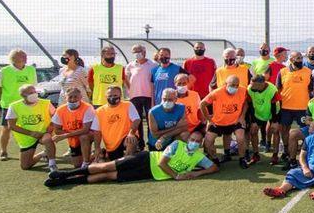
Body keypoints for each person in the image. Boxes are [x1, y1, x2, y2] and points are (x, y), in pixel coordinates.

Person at [44, 129, 218, 187]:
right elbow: (162, 162)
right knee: (106, 167)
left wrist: (195, 174)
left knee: (108, 177)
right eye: (192, 140)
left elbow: (213, 168)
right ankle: (65, 173)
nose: (194, 143)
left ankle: (66, 182)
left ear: (201, 143)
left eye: (197, 141)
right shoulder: (177, 145)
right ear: (188, 139)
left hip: (149, 174)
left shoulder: (198, 156)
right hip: (145, 159)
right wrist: (176, 176)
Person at [263, 117, 314, 201]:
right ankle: (280, 190)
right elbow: (302, 155)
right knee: (292, 173)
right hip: (309, 170)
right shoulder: (309, 139)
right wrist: (305, 168)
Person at [0, 48, 37, 160]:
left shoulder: (31, 69)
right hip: (9, 105)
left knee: (31, 126)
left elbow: (34, 86)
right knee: (6, 128)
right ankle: (3, 151)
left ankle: (32, 151)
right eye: (22, 56)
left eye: (25, 56)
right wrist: (2, 100)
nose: (25, 58)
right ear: (14, 58)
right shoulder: (4, 71)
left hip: (27, 104)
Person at [6, 84, 57, 171]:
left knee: (47, 139)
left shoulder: (46, 103)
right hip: (27, 136)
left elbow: (56, 116)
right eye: (30, 93)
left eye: (34, 92)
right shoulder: (14, 106)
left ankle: (52, 164)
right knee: (25, 166)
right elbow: (12, 126)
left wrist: (51, 126)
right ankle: (43, 154)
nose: (34, 94)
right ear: (23, 95)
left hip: (44, 132)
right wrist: (31, 133)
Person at [276, 51, 313, 168]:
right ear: (291, 59)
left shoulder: (308, 72)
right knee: (285, 130)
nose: (300, 60)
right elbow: (277, 89)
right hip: (286, 107)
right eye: (297, 58)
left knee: (305, 131)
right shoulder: (282, 72)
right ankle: (287, 151)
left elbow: (311, 89)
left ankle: (305, 153)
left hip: (303, 108)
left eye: (301, 58)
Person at [201, 75, 249, 164]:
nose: (234, 87)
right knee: (208, 142)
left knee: (240, 138)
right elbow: (202, 104)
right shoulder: (217, 92)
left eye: (236, 85)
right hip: (218, 122)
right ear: (225, 84)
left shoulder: (243, 90)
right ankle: (215, 160)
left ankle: (242, 159)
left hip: (235, 121)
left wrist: (242, 117)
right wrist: (208, 119)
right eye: (232, 85)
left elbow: (245, 103)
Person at [91, 85, 141, 161]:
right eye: (110, 95)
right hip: (111, 145)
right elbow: (97, 131)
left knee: (131, 141)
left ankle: (127, 163)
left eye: (115, 95)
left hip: (126, 137)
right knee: (113, 160)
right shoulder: (99, 111)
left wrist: (131, 133)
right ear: (105, 96)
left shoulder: (127, 105)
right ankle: (105, 154)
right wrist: (97, 147)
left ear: (120, 95)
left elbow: (136, 120)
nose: (112, 97)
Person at [51, 87, 94, 168]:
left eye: (75, 97)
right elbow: (57, 130)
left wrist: (65, 135)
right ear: (66, 97)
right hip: (73, 138)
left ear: (81, 97)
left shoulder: (87, 107)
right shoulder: (60, 110)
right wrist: (73, 134)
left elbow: (85, 129)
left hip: (88, 135)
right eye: (70, 97)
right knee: (77, 165)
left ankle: (86, 162)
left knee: (83, 137)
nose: (73, 99)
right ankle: (95, 154)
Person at [124, 44, 156, 148]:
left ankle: (151, 142)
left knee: (150, 119)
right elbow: (126, 79)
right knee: (137, 121)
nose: (137, 53)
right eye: (134, 52)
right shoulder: (130, 65)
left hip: (148, 96)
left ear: (144, 51)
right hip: (134, 97)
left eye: (139, 51)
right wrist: (131, 89)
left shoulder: (153, 64)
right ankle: (139, 143)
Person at [245, 72, 279, 164]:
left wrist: (274, 121)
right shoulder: (250, 89)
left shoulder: (272, 90)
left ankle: (275, 155)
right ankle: (256, 155)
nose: (251, 87)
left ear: (262, 84)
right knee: (253, 130)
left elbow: (275, 106)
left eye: (254, 86)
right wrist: (253, 121)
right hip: (257, 113)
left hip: (272, 112)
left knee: (275, 130)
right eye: (251, 84)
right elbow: (250, 105)